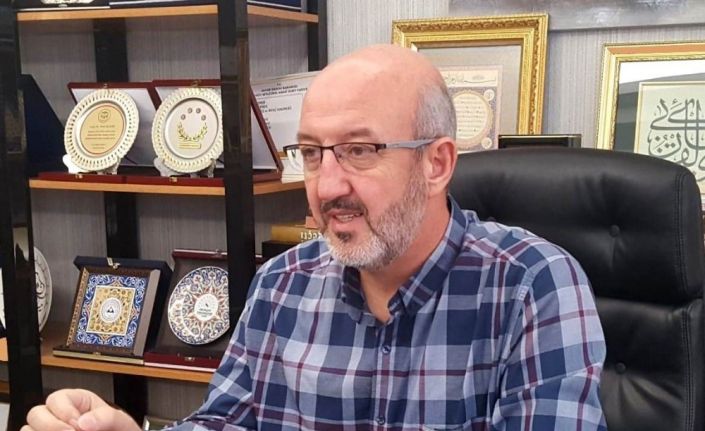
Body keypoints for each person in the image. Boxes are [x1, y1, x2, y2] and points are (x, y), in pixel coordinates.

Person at [23, 44, 607, 431]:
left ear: (436, 163)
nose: (327, 187)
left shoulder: (532, 286)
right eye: (310, 153)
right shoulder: (283, 283)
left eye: (360, 150)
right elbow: (227, 422)